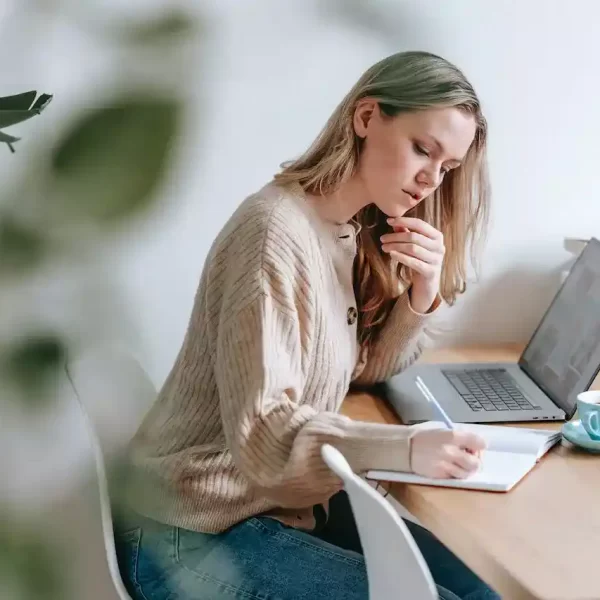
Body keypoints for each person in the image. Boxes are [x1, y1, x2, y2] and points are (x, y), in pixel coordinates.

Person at [115, 50, 500, 599]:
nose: (429, 180)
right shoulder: (273, 232)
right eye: (423, 149)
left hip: (272, 507)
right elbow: (266, 432)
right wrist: (408, 447)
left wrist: (422, 295)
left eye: (446, 168)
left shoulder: (341, 232)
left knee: (484, 592)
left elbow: (362, 371)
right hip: (185, 533)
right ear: (366, 118)